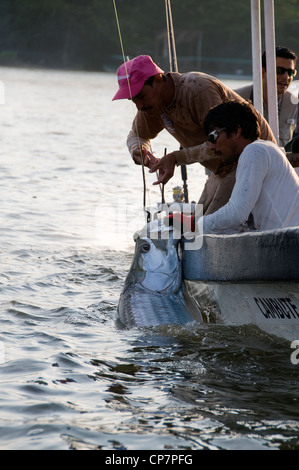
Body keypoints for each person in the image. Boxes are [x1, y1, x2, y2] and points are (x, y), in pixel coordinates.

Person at [112, 55, 276, 214]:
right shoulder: (151, 105)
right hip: (221, 170)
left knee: (208, 229)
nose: (139, 106)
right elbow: (137, 134)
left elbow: (222, 142)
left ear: (158, 80)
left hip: (251, 161)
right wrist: (139, 150)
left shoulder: (198, 90)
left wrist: (176, 158)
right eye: (132, 99)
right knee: (197, 227)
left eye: (140, 96)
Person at [172, 100, 299, 235]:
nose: (211, 146)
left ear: (237, 131)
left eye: (213, 136)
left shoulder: (255, 151)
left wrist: (192, 225)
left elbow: (236, 213)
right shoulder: (264, 149)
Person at [235, 46, 298, 148]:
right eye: (279, 70)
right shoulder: (237, 98)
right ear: (263, 71)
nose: (286, 77)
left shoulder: (294, 104)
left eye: (291, 72)